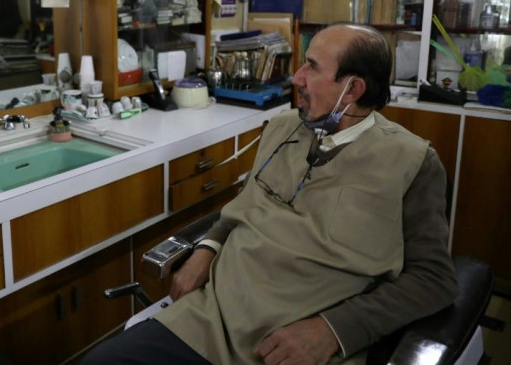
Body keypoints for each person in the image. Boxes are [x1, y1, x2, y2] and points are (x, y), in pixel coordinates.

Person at [81, 23, 458, 365]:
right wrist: (207, 247)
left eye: (312, 67)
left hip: (297, 342)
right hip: (209, 318)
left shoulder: (411, 162)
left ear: (353, 89)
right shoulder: (282, 128)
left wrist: (333, 330)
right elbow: (244, 208)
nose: (297, 78)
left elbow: (433, 280)